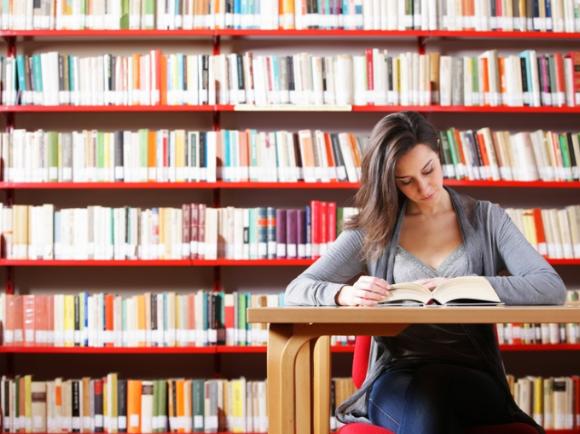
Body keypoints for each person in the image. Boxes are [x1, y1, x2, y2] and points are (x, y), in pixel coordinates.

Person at [285, 111, 566, 434]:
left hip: (472, 375)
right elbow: (296, 289)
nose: (423, 187)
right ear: (390, 181)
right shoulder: (374, 228)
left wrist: (475, 285)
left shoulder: (488, 220)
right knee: (430, 402)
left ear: (439, 155)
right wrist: (342, 293)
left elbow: (550, 287)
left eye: (428, 170)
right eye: (405, 181)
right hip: (396, 377)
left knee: (434, 400)